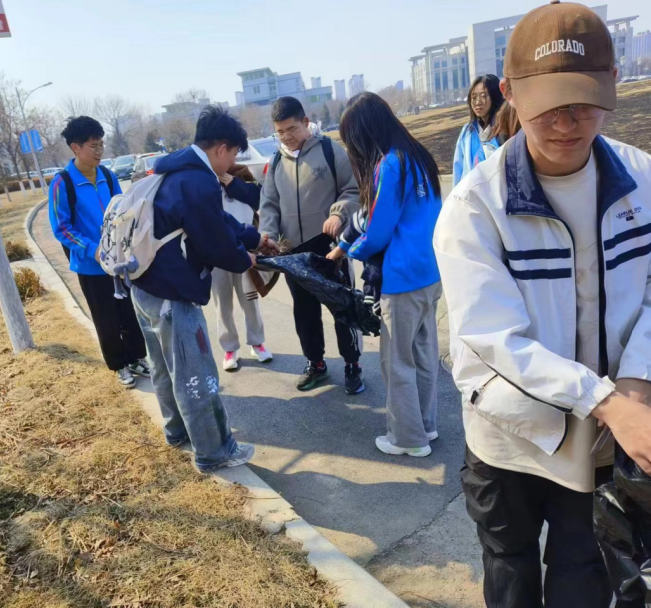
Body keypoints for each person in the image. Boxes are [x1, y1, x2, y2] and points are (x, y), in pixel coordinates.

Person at [434, 3, 651, 606]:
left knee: (585, 575)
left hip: (607, 437)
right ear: (509, 93)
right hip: (510, 436)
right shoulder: (476, 207)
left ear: (612, 85)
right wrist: (607, 400)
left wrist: (635, 381)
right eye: (548, 104)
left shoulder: (643, 180)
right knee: (511, 573)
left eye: (583, 101)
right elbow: (495, 338)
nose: (566, 122)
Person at [131, 105, 276, 473]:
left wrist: (254, 238)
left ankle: (177, 432)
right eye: (234, 154)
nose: (233, 163)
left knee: (164, 369)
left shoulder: (175, 170)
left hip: (144, 286)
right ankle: (214, 452)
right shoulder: (199, 181)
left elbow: (218, 220)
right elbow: (215, 243)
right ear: (222, 148)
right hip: (173, 295)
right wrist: (246, 258)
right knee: (195, 375)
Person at [330, 92, 443, 458]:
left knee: (397, 363)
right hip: (430, 272)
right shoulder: (417, 156)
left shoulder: (389, 165)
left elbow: (378, 230)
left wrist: (351, 251)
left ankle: (407, 439)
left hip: (401, 278)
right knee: (423, 356)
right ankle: (426, 425)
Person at [260, 96, 364, 394]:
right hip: (293, 251)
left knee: (343, 308)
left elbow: (353, 190)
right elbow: (269, 204)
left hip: (329, 248)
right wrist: (267, 235)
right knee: (304, 312)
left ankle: (353, 364)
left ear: (306, 123)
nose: (286, 136)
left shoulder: (331, 151)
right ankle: (315, 363)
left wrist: (338, 214)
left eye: (291, 129)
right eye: (280, 132)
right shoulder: (276, 161)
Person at [49, 116, 149, 388]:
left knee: (129, 313)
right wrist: (93, 250)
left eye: (101, 144)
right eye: (93, 146)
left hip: (119, 261)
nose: (99, 151)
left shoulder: (107, 175)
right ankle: (119, 365)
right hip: (91, 266)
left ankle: (136, 358)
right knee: (106, 318)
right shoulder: (62, 183)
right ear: (75, 147)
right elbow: (62, 228)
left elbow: (122, 208)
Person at [213, 164, 273, 371]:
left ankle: (257, 342)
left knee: (250, 298)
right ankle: (229, 348)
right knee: (222, 303)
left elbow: (260, 199)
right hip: (217, 252)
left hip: (246, 248)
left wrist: (234, 184)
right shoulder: (204, 178)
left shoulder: (243, 174)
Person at [452, 74, 504, 187]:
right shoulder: (467, 131)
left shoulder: (504, 130)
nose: (477, 102)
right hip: (470, 194)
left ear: (495, 96)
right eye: (474, 97)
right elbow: (458, 169)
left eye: (483, 96)